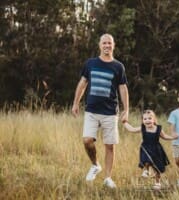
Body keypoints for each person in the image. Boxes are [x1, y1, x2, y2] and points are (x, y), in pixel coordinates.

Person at [71, 33, 129, 189]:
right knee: (87, 140)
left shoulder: (118, 66)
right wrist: (76, 103)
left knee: (110, 145)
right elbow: (82, 83)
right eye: (104, 43)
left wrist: (127, 109)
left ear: (113, 45)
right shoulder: (90, 63)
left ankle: (108, 178)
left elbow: (123, 89)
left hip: (110, 112)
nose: (107, 46)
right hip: (91, 110)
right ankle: (95, 164)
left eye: (109, 43)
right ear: (99, 45)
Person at [122, 110, 178, 190]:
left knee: (157, 167)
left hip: (156, 150)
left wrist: (173, 137)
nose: (147, 120)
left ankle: (157, 183)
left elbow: (165, 136)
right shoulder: (143, 128)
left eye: (149, 118)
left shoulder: (158, 129)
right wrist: (124, 123)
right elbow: (132, 129)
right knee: (146, 159)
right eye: (145, 119)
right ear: (142, 120)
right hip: (146, 148)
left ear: (154, 120)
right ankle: (146, 170)